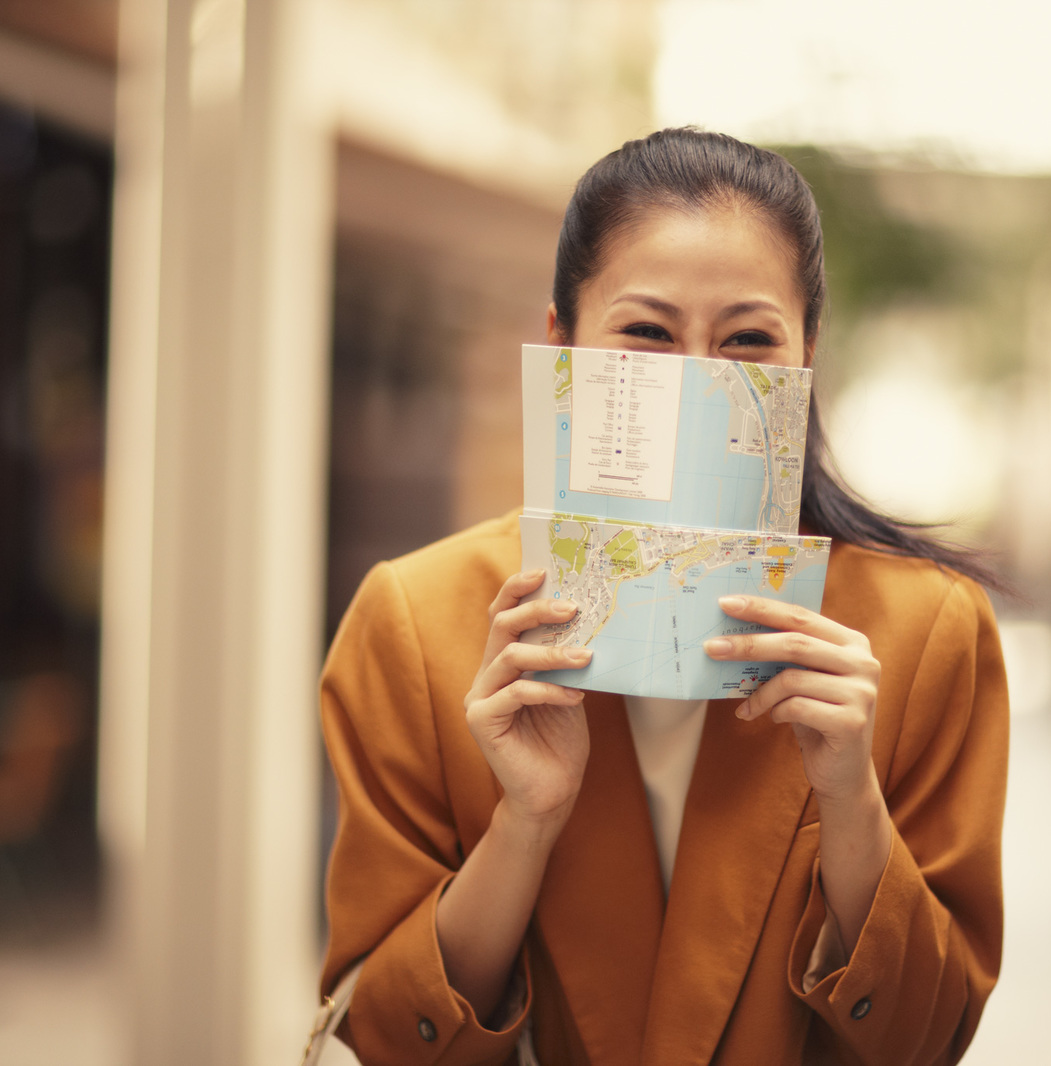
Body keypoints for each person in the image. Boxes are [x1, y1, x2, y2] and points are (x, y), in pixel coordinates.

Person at [318, 128, 1009, 1066]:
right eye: (646, 333)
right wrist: (522, 825)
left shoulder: (926, 632)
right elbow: (389, 1037)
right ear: (561, 343)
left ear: (808, 355)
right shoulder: (416, 621)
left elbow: (931, 1035)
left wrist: (853, 804)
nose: (694, 382)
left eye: (748, 342)